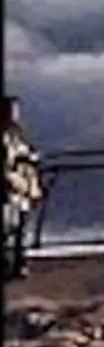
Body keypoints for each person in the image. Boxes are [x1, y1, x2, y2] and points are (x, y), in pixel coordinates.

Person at [3, 93, 43, 281]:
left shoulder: (16, 135)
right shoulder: (7, 137)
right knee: (9, 229)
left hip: (21, 190)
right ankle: (12, 265)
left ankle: (19, 264)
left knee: (20, 230)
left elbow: (24, 155)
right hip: (11, 190)